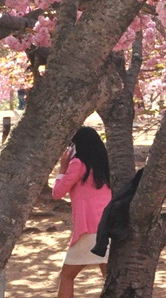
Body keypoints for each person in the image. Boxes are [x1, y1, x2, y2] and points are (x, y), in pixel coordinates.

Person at [52, 126, 113, 298]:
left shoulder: (78, 164)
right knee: (109, 278)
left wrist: (62, 168)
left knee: (67, 276)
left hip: (89, 229)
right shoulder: (106, 163)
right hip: (109, 226)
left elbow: (57, 193)